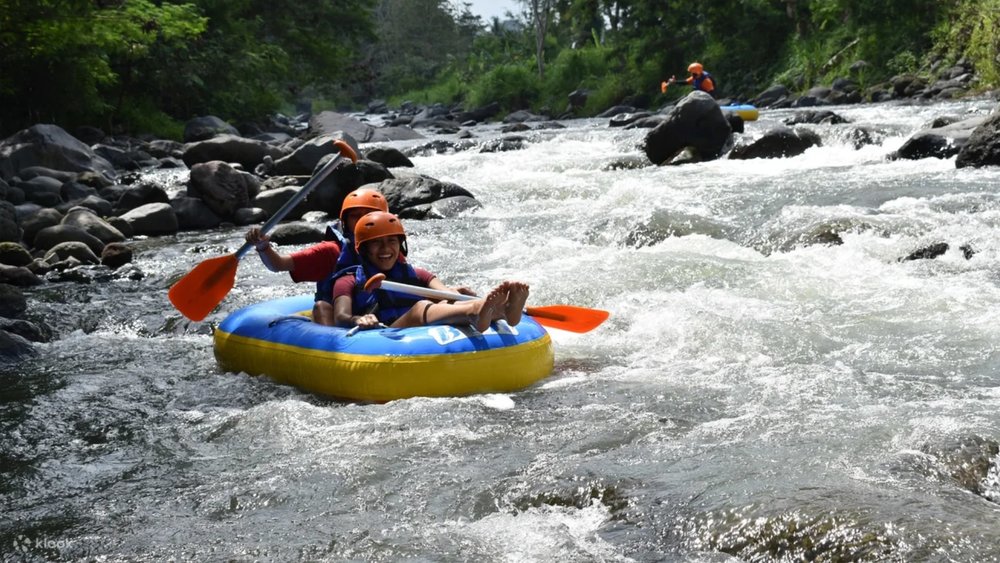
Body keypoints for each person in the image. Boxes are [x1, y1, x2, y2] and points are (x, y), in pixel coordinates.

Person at [331, 211, 529, 332]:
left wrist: (457, 294)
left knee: (447, 299)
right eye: (376, 243)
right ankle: (477, 312)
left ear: (401, 245)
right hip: (384, 332)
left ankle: (502, 311)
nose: (385, 249)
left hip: (419, 327)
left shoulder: (416, 274)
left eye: (391, 242)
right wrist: (358, 319)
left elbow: (445, 293)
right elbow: (340, 316)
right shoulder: (348, 280)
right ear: (363, 249)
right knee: (420, 307)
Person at [245, 187, 389, 324]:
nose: (363, 221)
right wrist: (263, 247)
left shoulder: (389, 250)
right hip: (339, 321)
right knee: (322, 307)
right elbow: (278, 265)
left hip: (376, 314)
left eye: (369, 215)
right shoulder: (330, 251)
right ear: (345, 222)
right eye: (355, 216)